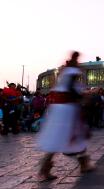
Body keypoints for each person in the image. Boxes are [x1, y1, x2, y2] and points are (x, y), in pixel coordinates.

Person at [38, 52, 94, 181]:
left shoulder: (64, 72)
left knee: (62, 137)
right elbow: (71, 89)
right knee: (71, 135)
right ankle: (83, 164)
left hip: (61, 108)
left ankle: (46, 168)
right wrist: (83, 97)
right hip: (67, 109)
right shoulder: (72, 72)